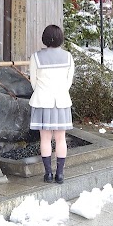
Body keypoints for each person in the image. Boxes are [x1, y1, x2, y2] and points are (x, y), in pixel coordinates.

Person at [29, 24, 75, 183]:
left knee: (45, 139)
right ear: (61, 38)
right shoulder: (68, 57)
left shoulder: (36, 57)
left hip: (42, 101)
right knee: (61, 139)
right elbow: (69, 81)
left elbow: (33, 81)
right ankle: (60, 174)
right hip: (62, 101)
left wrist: (43, 91)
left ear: (45, 38)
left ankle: (48, 173)